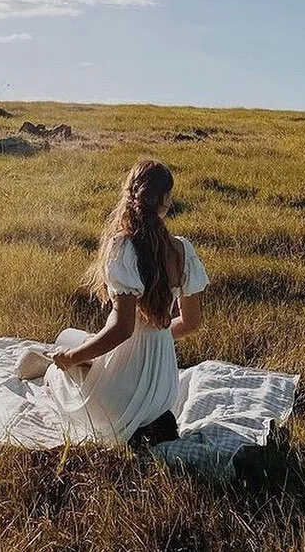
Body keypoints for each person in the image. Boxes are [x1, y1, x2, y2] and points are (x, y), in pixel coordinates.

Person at [44, 158, 209, 445]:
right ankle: (151, 419)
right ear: (165, 200)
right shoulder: (183, 250)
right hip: (163, 389)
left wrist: (71, 359)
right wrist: (156, 338)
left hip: (119, 390)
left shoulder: (123, 246)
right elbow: (192, 322)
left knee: (62, 354)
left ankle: (124, 416)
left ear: (130, 194)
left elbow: (123, 329)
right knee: (74, 341)